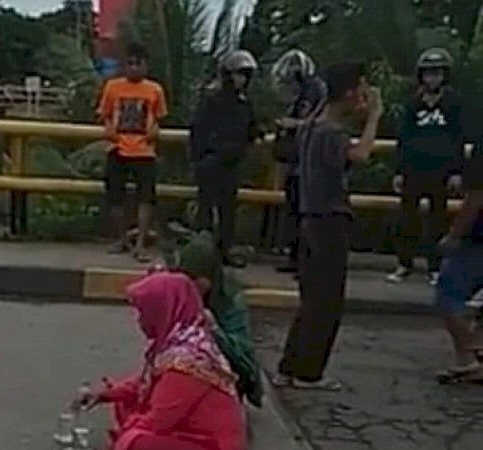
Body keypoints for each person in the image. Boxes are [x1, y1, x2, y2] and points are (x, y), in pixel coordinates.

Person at [273, 63, 383, 390]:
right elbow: (361, 155)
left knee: (311, 298)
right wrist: (374, 117)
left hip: (307, 215)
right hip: (329, 218)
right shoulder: (332, 132)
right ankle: (309, 372)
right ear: (349, 93)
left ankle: (290, 365)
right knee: (327, 300)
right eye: (361, 90)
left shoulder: (309, 127)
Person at [73, 272, 247, 450]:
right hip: (192, 431)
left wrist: (125, 435)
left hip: (210, 443)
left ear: (162, 312)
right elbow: (146, 383)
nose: (140, 321)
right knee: (126, 404)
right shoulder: (183, 340)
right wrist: (104, 394)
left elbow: (158, 420)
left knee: (134, 441)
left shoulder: (187, 362)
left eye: (144, 314)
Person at [387, 48, 465, 285]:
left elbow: (459, 138)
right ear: (421, 76)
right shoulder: (412, 103)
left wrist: (457, 171)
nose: (433, 78)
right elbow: (404, 138)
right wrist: (399, 171)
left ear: (445, 75)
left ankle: (435, 267)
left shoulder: (454, 102)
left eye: (438, 73)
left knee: (438, 220)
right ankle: (404, 264)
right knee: (407, 219)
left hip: (441, 170)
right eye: (429, 74)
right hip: (413, 168)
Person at [175, 230, 263, 407]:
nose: (192, 287)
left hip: (225, 375)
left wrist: (215, 331)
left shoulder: (230, 301)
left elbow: (245, 360)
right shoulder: (178, 292)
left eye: (197, 280)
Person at [189, 49, 261, 269]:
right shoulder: (213, 99)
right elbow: (198, 130)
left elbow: (251, 129)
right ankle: (202, 255)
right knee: (206, 210)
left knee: (228, 210)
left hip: (231, 163)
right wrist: (202, 157)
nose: (241, 79)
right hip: (211, 161)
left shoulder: (244, 104)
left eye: (245, 75)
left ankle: (223, 252)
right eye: (238, 74)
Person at [98, 42, 169, 263]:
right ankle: (122, 240)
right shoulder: (112, 87)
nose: (134, 68)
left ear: (146, 66)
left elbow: (159, 117)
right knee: (115, 197)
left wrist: (155, 128)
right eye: (130, 63)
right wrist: (109, 127)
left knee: (146, 198)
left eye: (138, 64)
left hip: (144, 151)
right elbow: (105, 113)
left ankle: (140, 245)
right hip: (118, 147)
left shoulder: (155, 89)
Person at [270, 49, 328, 273]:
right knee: (293, 210)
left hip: (310, 161)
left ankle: (306, 260)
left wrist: (293, 124)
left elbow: (317, 120)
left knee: (306, 211)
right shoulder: (302, 93)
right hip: (296, 160)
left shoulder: (316, 90)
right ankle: (294, 258)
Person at [435, 149, 483, 378]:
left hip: (478, 238)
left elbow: (477, 196)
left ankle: (467, 356)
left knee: (448, 293)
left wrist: (455, 234)